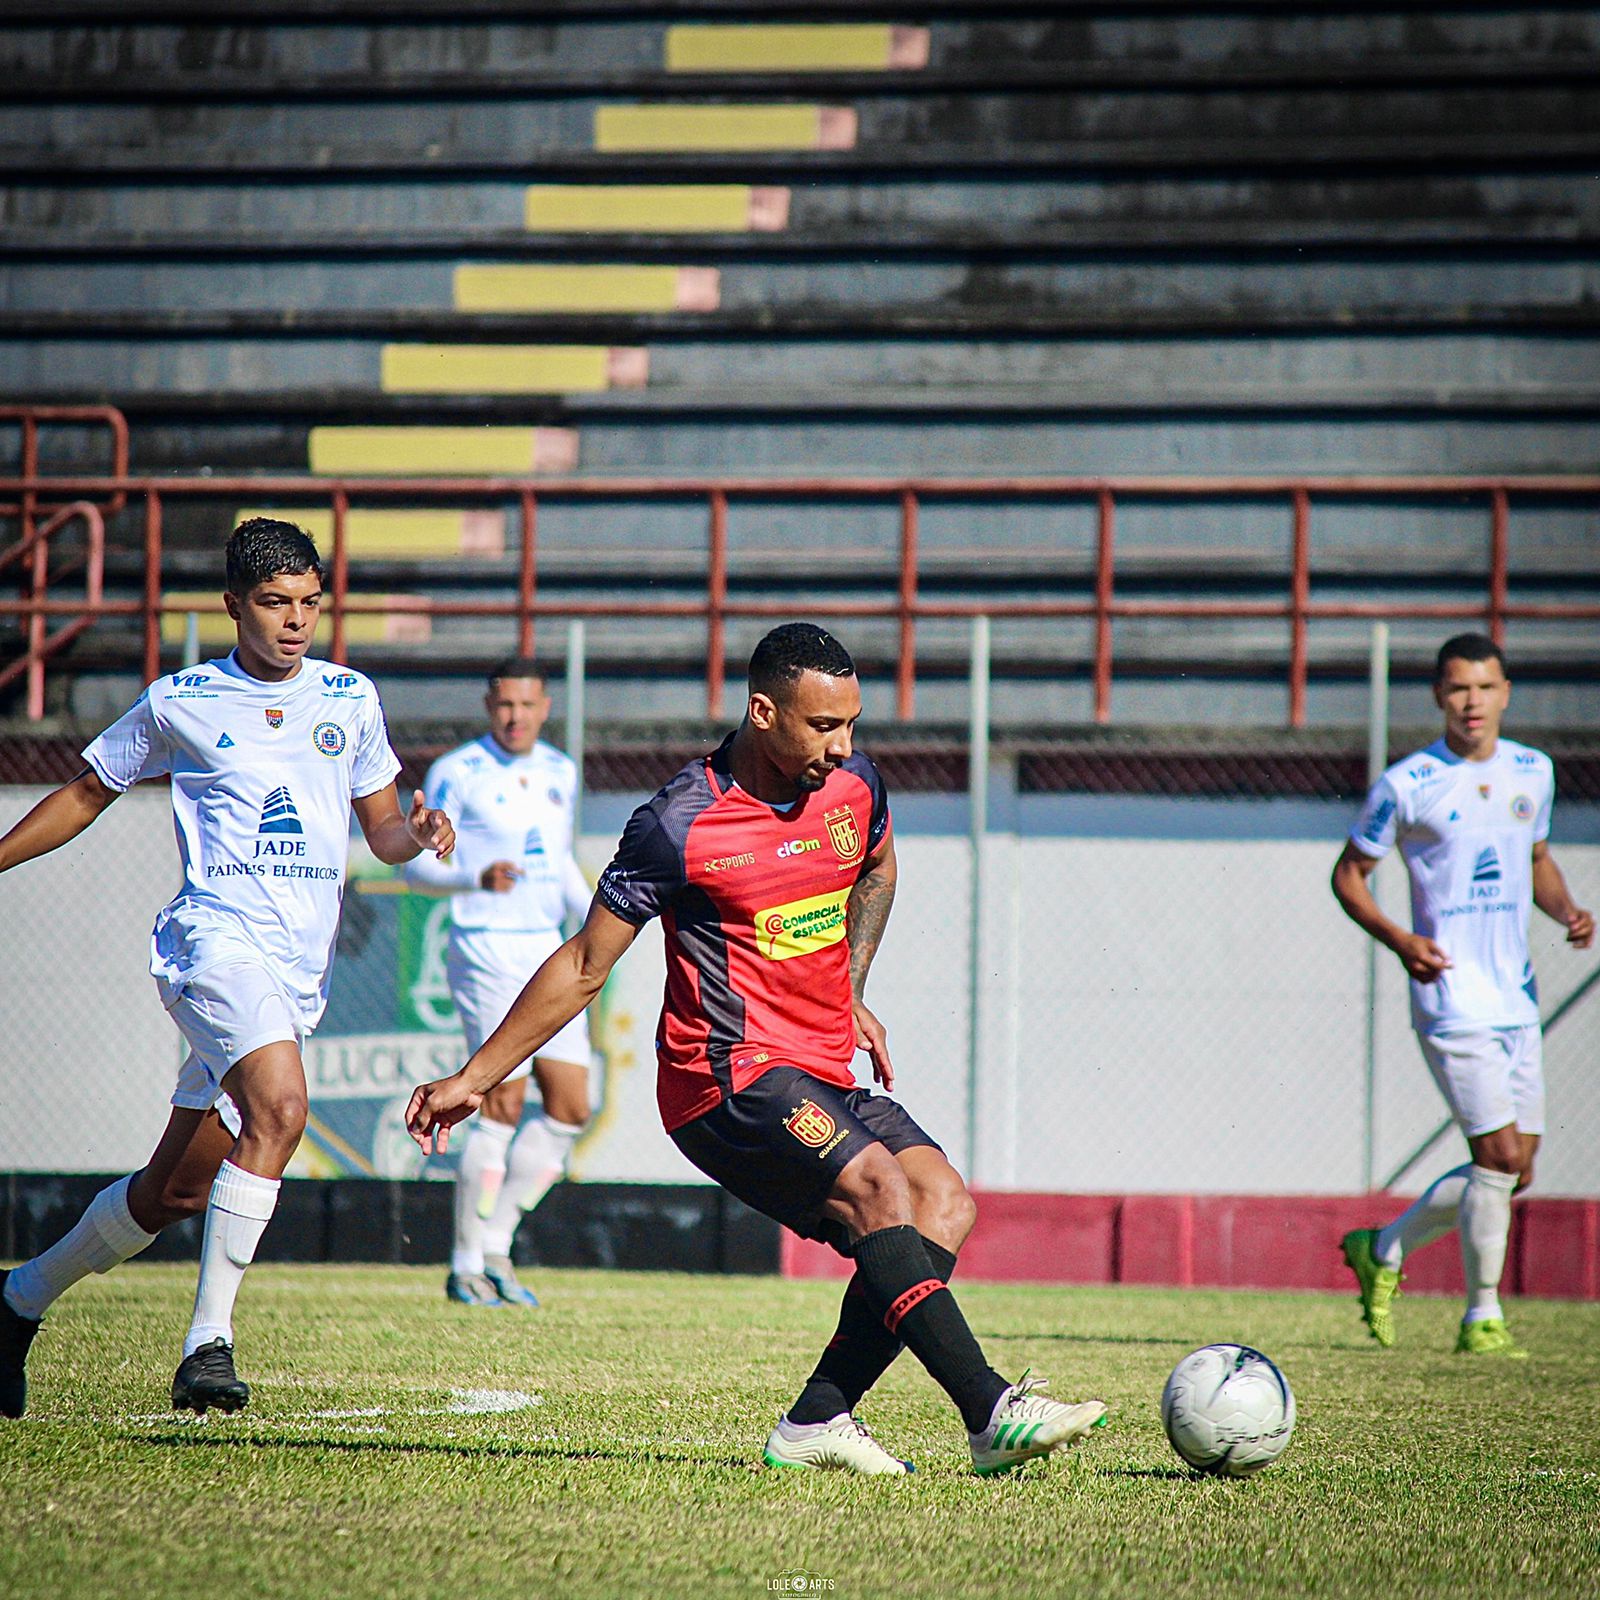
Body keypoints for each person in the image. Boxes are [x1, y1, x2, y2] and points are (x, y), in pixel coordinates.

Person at [406, 622, 1107, 1476]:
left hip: (820, 1065)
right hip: (722, 1077)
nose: (842, 746)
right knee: (879, 1190)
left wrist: (851, 988)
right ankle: (991, 1411)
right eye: (824, 726)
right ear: (764, 711)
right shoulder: (677, 823)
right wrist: (477, 1076)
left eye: (851, 724)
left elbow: (878, 867)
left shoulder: (855, 785)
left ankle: (816, 1420)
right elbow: (586, 963)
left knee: (943, 1203)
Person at [0, 518, 454, 1418]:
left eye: (310, 603)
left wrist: (418, 833)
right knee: (281, 1108)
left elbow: (382, 830)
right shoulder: (183, 700)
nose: (296, 621)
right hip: (209, 943)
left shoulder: (350, 698)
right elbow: (88, 792)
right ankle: (207, 1345)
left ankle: (17, 1298)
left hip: (295, 974)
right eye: (276, 603)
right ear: (234, 606)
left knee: (174, 1191)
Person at [1333, 632, 1593, 1356]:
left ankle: (1383, 1247)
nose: (1471, 702)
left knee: (1518, 1168)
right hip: (1450, 995)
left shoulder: (1532, 771)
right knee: (1499, 1157)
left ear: (1505, 693)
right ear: (1438, 697)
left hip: (1517, 996)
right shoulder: (1409, 783)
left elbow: (1534, 858)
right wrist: (1401, 940)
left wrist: (1567, 910)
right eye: (1457, 688)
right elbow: (1349, 875)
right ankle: (1483, 1316)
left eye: (1484, 687)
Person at [404, 657, 592, 1309]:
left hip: (548, 951)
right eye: (505, 704)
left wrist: (604, 923)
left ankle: (496, 1246)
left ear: (546, 708)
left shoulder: (561, 772)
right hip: (485, 945)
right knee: (500, 1101)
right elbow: (418, 868)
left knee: (570, 1106)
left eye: (527, 704)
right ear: (490, 707)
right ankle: (465, 1264)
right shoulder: (458, 772)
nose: (516, 716)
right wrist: (472, 877)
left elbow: (559, 862)